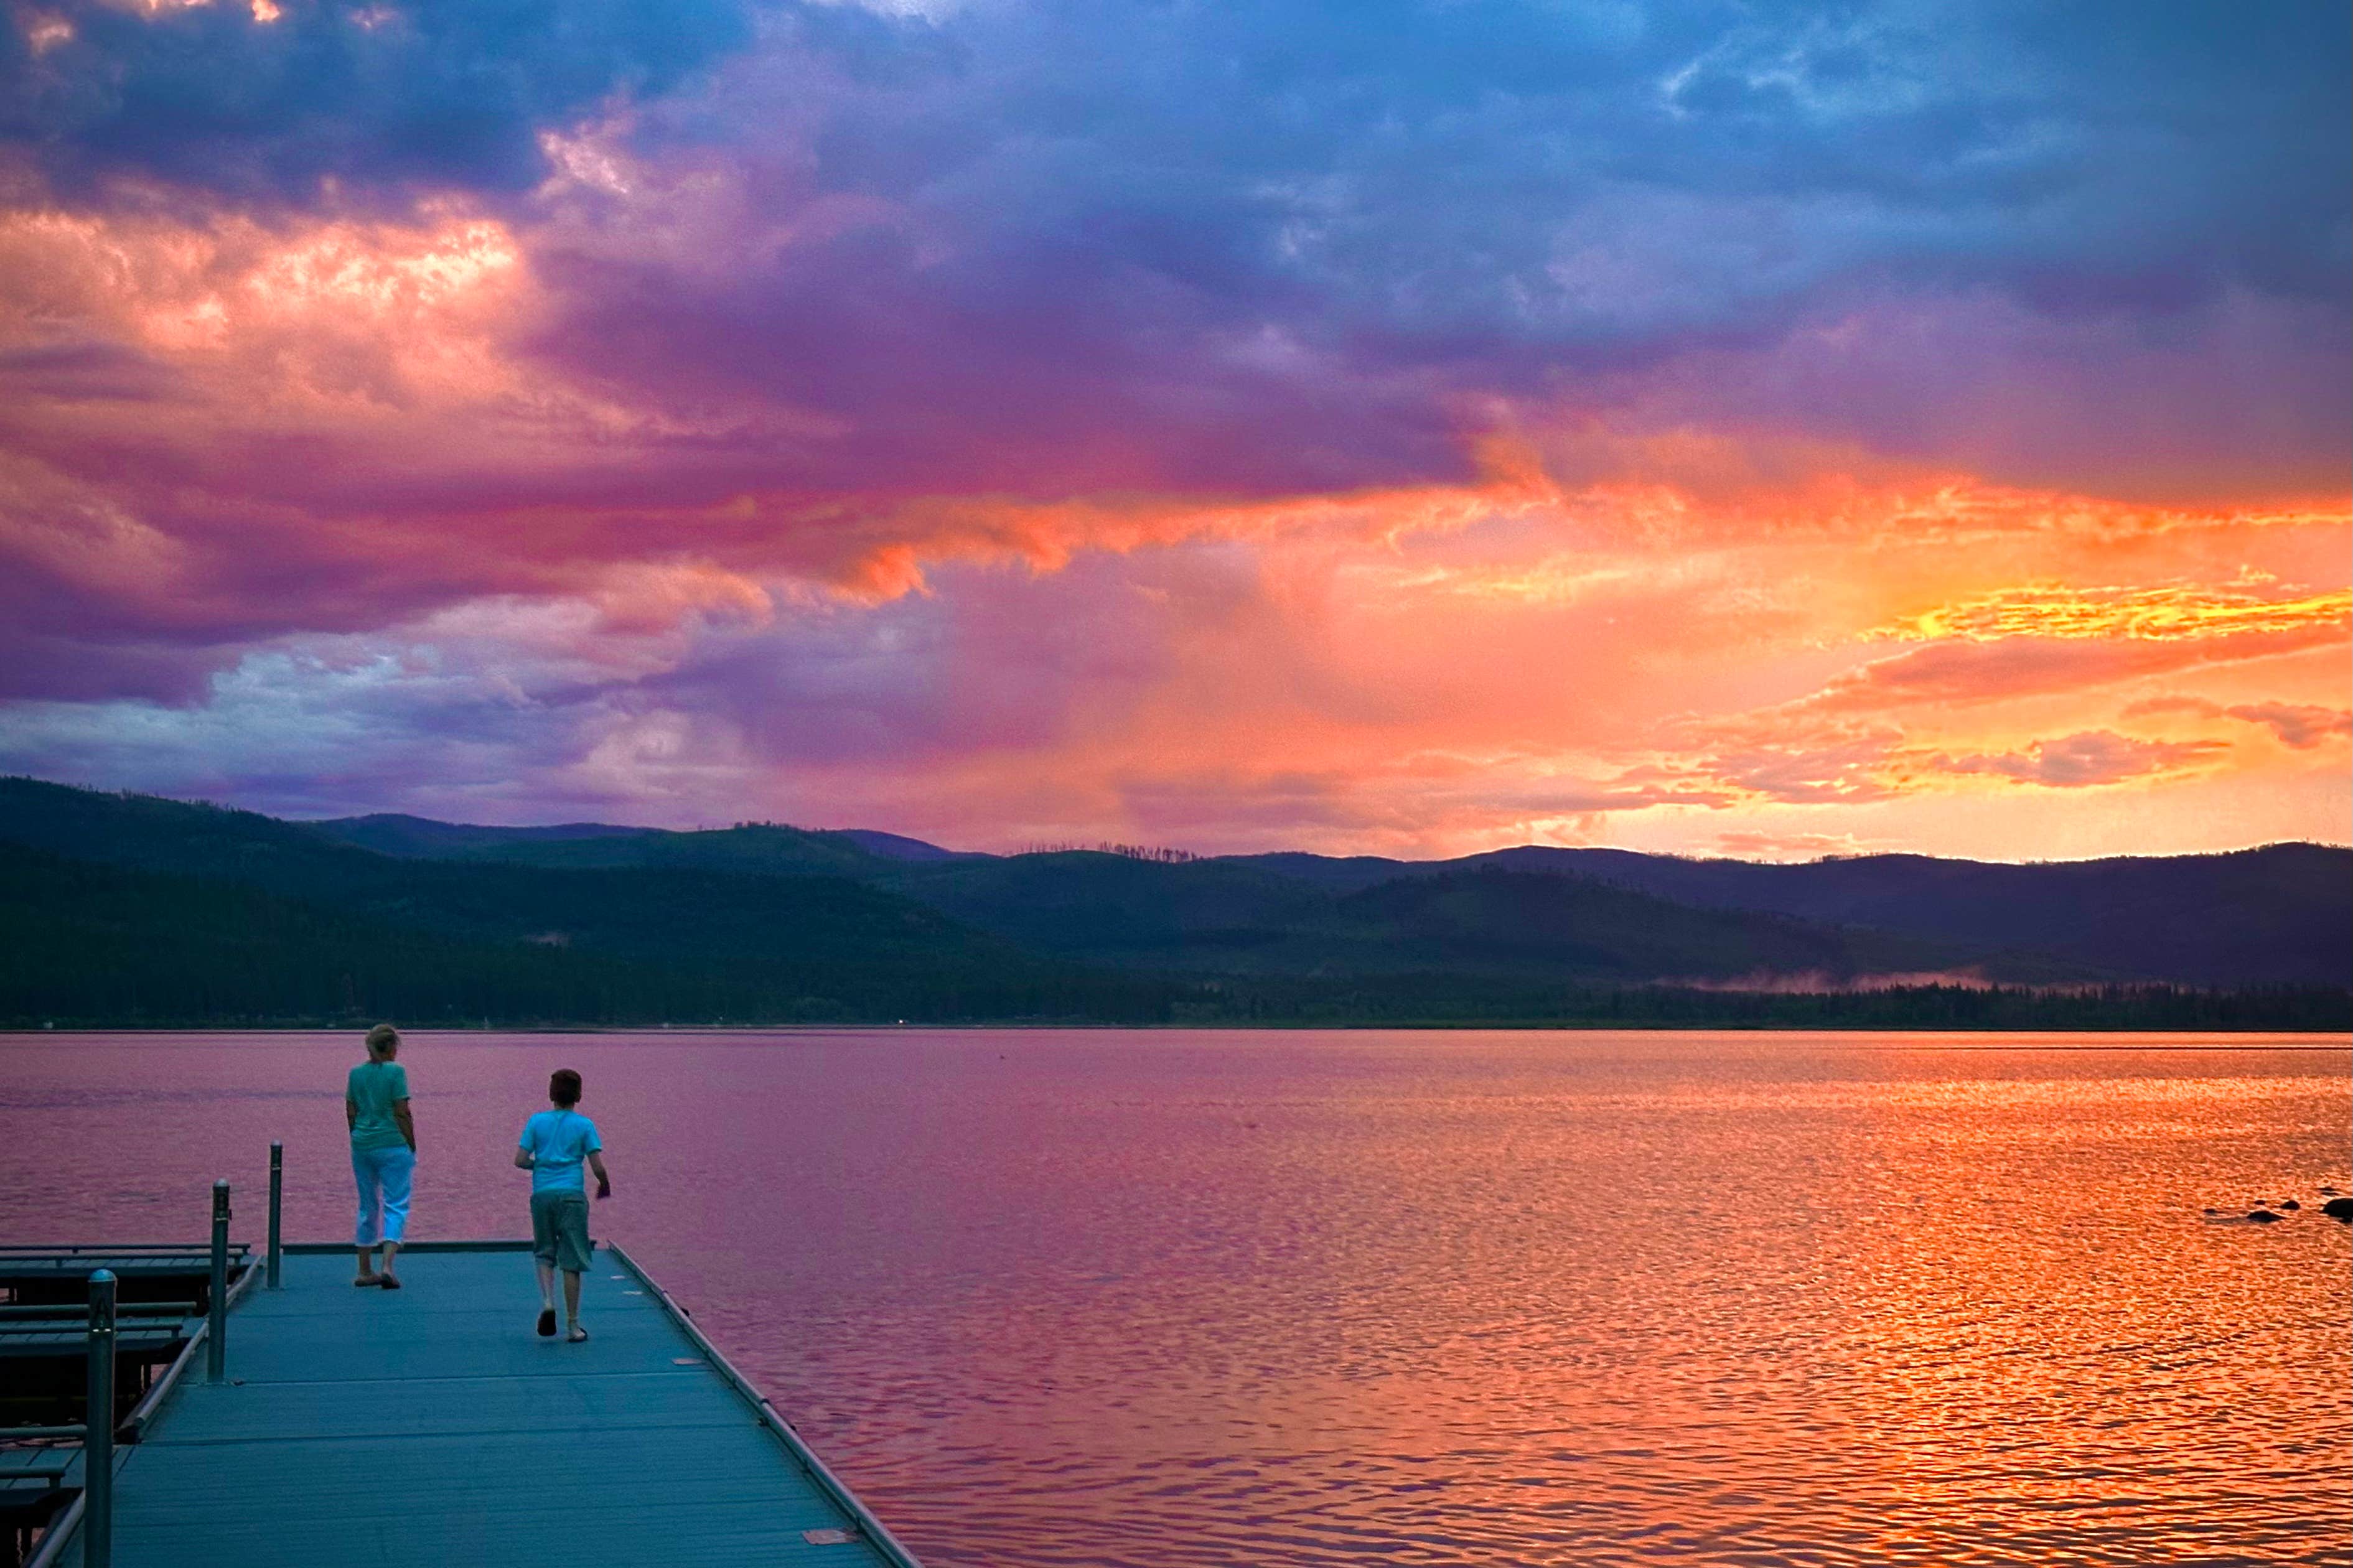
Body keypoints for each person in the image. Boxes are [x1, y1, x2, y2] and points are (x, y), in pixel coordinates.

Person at [515, 1068, 610, 1343]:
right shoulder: (584, 1125)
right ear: (579, 1095)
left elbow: (520, 1160)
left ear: (551, 1094)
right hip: (571, 1196)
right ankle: (573, 1326)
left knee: (545, 1252)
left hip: (542, 1194)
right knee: (572, 1260)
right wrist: (604, 1185)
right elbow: (597, 1166)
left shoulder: (537, 1122)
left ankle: (547, 1302)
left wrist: (539, 1166)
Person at [346, 1022, 416, 1289]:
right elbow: (402, 1111)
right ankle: (387, 1266)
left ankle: (364, 1269)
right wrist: (411, 1142)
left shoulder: (355, 1074)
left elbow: (351, 1111)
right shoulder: (396, 1072)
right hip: (393, 1144)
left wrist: (357, 1136)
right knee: (396, 1204)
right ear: (392, 1048)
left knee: (367, 1206)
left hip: (362, 1145)